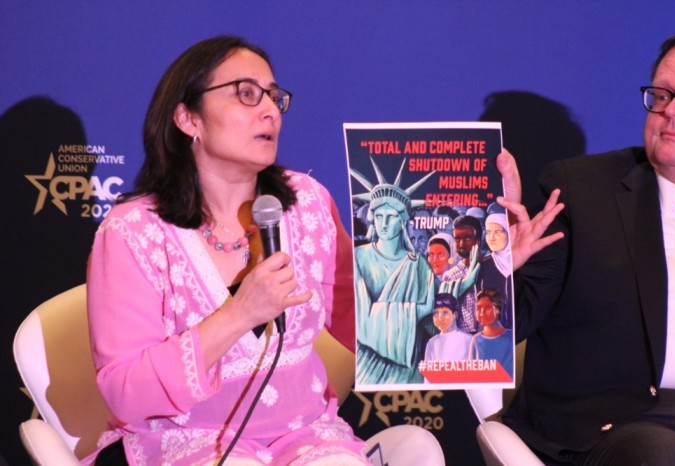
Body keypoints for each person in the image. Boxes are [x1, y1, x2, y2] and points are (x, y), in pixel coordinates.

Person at [85, 36, 370, 465]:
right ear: (188, 118)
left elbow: (373, 323)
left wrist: (488, 268)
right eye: (247, 94)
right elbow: (125, 390)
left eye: (274, 97)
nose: (271, 110)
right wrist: (239, 315)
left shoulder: (308, 202)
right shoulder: (134, 231)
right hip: (182, 441)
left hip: (306, 437)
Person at [497, 32, 675, 464]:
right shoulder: (581, 192)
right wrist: (497, 270)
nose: (672, 112)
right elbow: (506, 325)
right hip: (615, 430)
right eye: (663, 95)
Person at [352, 159, 436, 385]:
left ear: (404, 220)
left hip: (409, 372)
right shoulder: (359, 258)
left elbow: (435, 324)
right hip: (370, 371)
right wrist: (415, 312)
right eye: (378, 216)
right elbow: (362, 323)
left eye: (391, 217)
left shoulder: (419, 265)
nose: (384, 223)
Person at [440, 215, 483, 333]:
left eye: (467, 238)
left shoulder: (491, 268)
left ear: (478, 240)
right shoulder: (450, 276)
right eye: (457, 239)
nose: (461, 244)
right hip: (462, 340)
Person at [477, 213, 513, 329]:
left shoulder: (519, 261)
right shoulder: (484, 265)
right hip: (493, 329)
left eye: (497, 232)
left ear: (508, 233)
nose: (491, 238)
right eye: (488, 232)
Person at [468, 289, 513, 377]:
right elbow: (471, 374)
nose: (482, 313)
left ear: (498, 309)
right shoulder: (476, 339)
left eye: (487, 308)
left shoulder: (510, 337)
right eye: (478, 308)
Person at [424, 293, 471, 361]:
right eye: (436, 313)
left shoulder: (468, 339)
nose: (440, 318)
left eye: (445, 313)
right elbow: (428, 370)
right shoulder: (431, 342)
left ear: (455, 314)